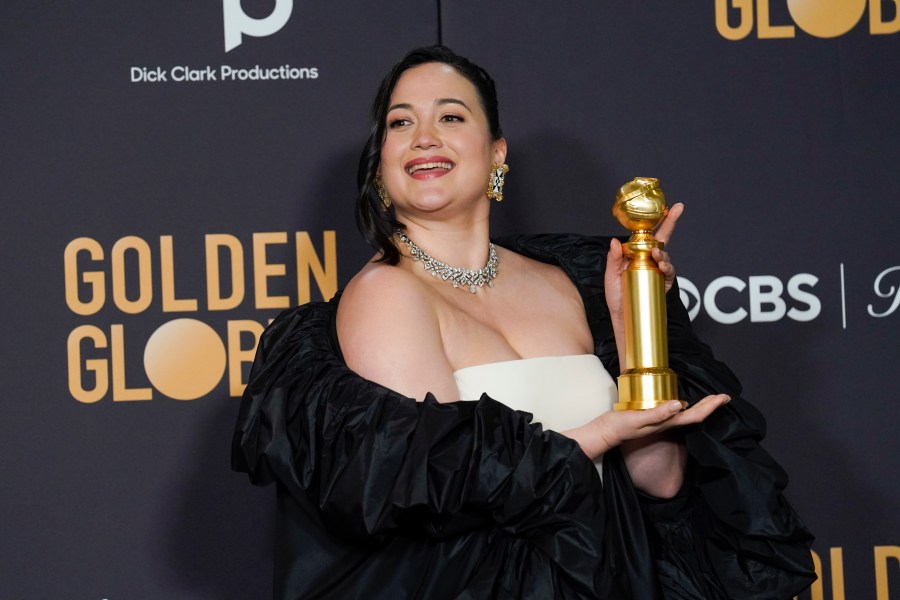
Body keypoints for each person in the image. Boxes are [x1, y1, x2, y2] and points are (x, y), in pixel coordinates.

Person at [233, 46, 815, 599]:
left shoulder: (570, 278)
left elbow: (658, 481)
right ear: (381, 163)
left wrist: (634, 326)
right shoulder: (387, 294)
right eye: (400, 123)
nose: (424, 137)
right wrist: (599, 434)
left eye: (451, 116)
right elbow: (432, 504)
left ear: (497, 154)